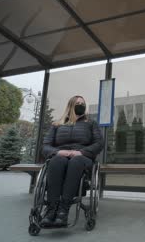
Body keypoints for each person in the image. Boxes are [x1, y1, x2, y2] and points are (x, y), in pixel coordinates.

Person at [40, 95, 104, 227]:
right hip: (61, 156)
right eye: (78, 103)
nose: (81, 105)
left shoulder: (90, 123)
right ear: (71, 106)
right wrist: (57, 152)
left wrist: (81, 152)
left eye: (83, 103)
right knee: (57, 161)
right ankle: (51, 210)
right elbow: (45, 145)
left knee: (76, 161)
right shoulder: (57, 124)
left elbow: (99, 143)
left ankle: (63, 211)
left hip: (82, 157)